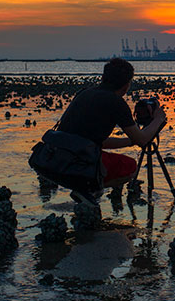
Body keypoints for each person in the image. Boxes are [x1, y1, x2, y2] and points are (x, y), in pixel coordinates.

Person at [57, 57, 166, 197]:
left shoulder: (84, 93)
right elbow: (143, 140)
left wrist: (131, 141)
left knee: (104, 158)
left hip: (56, 160)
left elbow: (97, 142)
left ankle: (86, 190)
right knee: (130, 167)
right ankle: (87, 190)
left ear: (103, 78)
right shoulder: (116, 102)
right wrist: (158, 119)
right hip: (78, 163)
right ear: (127, 85)